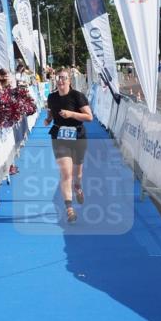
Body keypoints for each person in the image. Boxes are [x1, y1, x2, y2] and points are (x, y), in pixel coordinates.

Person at [44, 68, 93, 224]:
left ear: (69, 80)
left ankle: (78, 186)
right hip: (59, 136)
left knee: (77, 174)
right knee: (66, 172)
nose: (60, 81)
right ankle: (69, 209)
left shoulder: (77, 96)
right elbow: (51, 112)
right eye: (58, 78)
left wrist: (72, 114)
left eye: (64, 78)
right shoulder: (51, 97)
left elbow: (89, 117)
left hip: (78, 136)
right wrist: (48, 119)